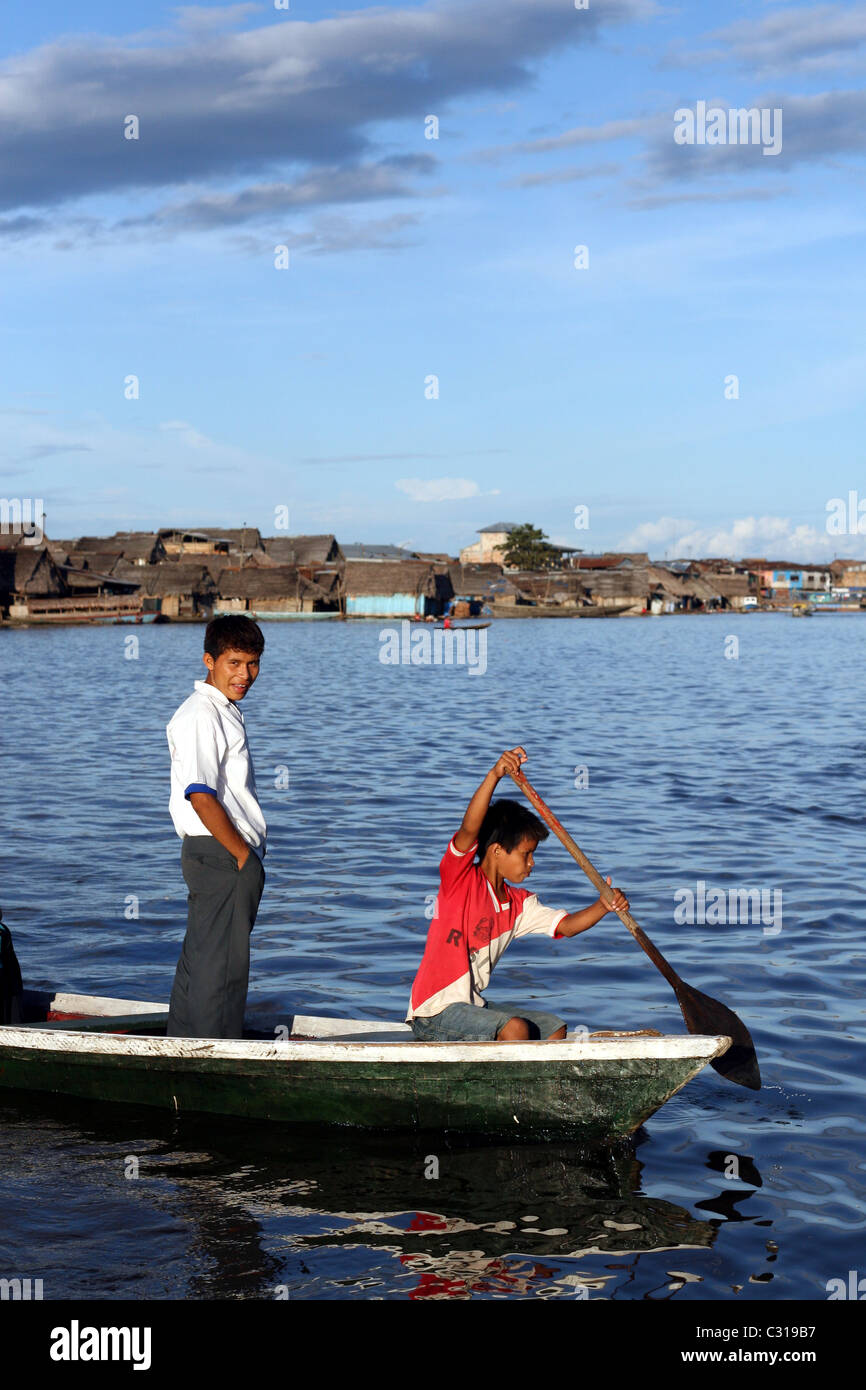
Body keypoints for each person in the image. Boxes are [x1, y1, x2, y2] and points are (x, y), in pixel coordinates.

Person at [407, 747, 628, 1042]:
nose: (532, 863)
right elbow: (469, 830)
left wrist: (604, 905)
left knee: (554, 1028)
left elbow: (567, 926)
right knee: (516, 1029)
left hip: (473, 1008)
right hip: (433, 1013)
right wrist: (494, 775)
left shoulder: (519, 904)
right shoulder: (459, 880)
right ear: (497, 851)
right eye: (526, 855)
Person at [165, 615, 267, 1039]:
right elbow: (201, 795)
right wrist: (243, 856)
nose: (245, 674)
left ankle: (182, 1049)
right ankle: (212, 1057)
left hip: (215, 854)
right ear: (209, 660)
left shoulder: (221, 710)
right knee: (222, 969)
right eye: (234, 663)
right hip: (220, 853)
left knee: (202, 959)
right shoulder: (202, 714)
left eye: (253, 663)